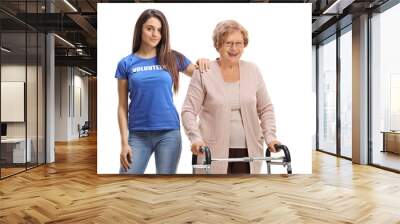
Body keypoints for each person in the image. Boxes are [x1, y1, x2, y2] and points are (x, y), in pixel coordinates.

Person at [182, 20, 281, 174]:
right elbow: (188, 111)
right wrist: (195, 138)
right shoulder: (204, 72)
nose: (234, 48)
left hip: (249, 152)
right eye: (228, 43)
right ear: (218, 45)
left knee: (244, 195)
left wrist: (270, 136)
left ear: (244, 45)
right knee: (212, 195)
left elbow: (265, 109)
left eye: (238, 43)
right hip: (211, 151)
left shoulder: (253, 70)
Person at [116, 9, 208, 174]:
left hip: (169, 133)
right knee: (126, 184)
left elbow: (203, 75)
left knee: (165, 188)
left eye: (159, 30)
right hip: (137, 135)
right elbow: (122, 106)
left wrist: (204, 61)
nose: (155, 34)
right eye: (150, 28)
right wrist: (124, 143)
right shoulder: (126, 63)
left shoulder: (173, 58)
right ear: (140, 30)